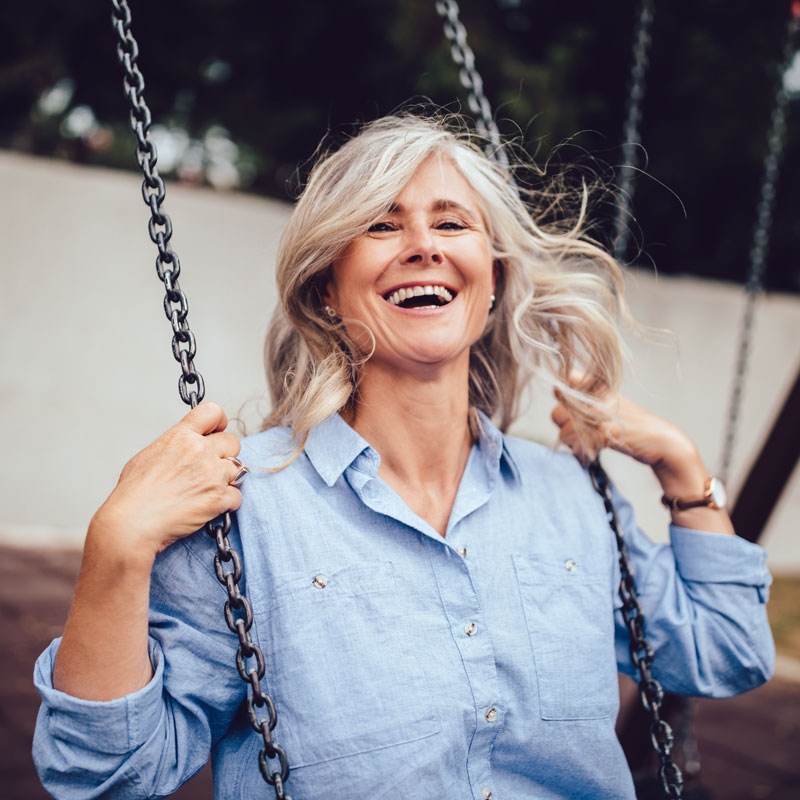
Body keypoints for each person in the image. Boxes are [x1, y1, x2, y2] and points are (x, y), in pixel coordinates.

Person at [33, 114, 773, 800]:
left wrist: (682, 469)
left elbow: (726, 651)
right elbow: (104, 776)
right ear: (327, 288)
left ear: (493, 282)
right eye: (382, 225)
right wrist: (117, 548)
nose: (425, 245)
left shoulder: (568, 495)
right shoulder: (246, 507)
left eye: (452, 222)